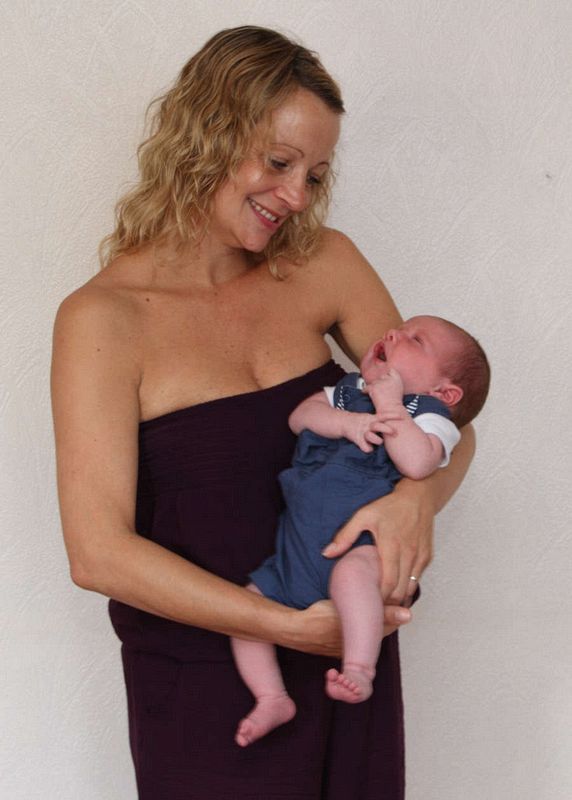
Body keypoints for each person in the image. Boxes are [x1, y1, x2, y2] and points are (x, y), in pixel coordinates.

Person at [51, 26, 476, 800]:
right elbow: (98, 554)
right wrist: (285, 628)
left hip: (347, 662)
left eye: (315, 175)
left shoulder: (326, 263)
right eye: (278, 163)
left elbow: (449, 424)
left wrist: (414, 502)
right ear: (205, 135)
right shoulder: (102, 319)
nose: (297, 197)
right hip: (210, 691)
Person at [232, 315, 489, 747]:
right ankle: (271, 697)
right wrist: (348, 423)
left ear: (444, 392)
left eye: (414, 340)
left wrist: (391, 408)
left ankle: (359, 668)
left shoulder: (429, 416)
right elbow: (300, 417)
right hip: (298, 552)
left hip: (360, 548)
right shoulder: (349, 390)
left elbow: (417, 463)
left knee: (353, 577)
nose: (392, 334)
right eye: (397, 329)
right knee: (245, 610)